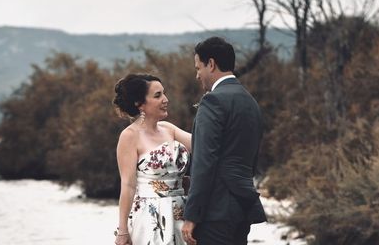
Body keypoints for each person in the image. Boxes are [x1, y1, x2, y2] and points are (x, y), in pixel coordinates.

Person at [182, 37, 267, 245]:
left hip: (215, 212)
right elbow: (251, 160)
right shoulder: (250, 101)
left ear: (211, 64)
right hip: (242, 206)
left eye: (198, 67)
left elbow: (204, 162)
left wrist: (192, 214)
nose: (197, 75)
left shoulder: (212, 101)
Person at [113, 73, 192, 245]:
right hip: (151, 215)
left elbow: (204, 146)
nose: (165, 99)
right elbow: (128, 185)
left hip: (181, 212)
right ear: (139, 104)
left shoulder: (169, 129)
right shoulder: (129, 136)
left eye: (164, 93)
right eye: (158, 95)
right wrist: (122, 230)